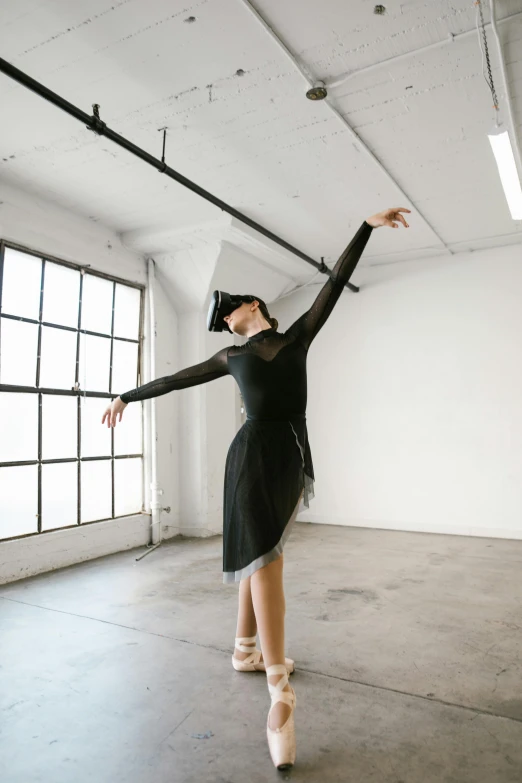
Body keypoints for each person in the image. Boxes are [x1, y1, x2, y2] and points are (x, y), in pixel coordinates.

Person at [102, 207, 411, 769]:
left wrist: (364, 227)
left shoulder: (296, 339)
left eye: (227, 310)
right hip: (248, 458)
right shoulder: (230, 357)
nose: (223, 320)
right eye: (219, 318)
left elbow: (334, 283)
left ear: (253, 307)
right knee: (267, 562)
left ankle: (246, 649)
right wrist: (127, 395)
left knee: (264, 552)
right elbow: (177, 379)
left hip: (289, 457)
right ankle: (278, 689)